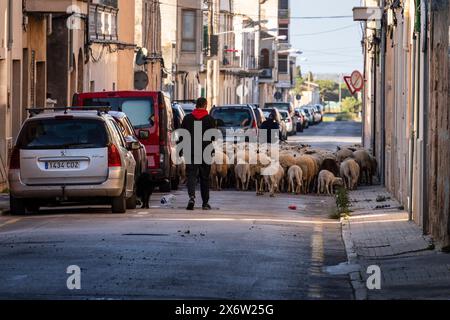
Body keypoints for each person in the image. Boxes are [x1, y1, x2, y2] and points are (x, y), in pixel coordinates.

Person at [180, 97, 216, 211]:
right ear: (205, 105)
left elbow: (182, 135)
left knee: (191, 175)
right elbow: (213, 137)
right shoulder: (210, 119)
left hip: (190, 150)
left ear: (196, 105)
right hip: (205, 150)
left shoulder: (187, 118)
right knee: (204, 177)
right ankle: (205, 203)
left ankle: (191, 197)